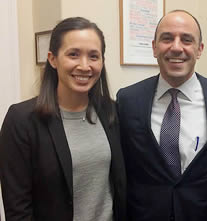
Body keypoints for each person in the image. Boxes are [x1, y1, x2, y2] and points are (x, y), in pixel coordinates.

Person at [0, 17, 127, 221]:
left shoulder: (111, 111)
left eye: (94, 56)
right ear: (52, 59)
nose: (85, 66)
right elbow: (18, 209)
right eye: (73, 54)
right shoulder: (22, 120)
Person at [117, 10, 207, 221]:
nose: (177, 47)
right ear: (154, 47)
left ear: (199, 50)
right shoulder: (127, 100)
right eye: (167, 38)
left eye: (187, 40)